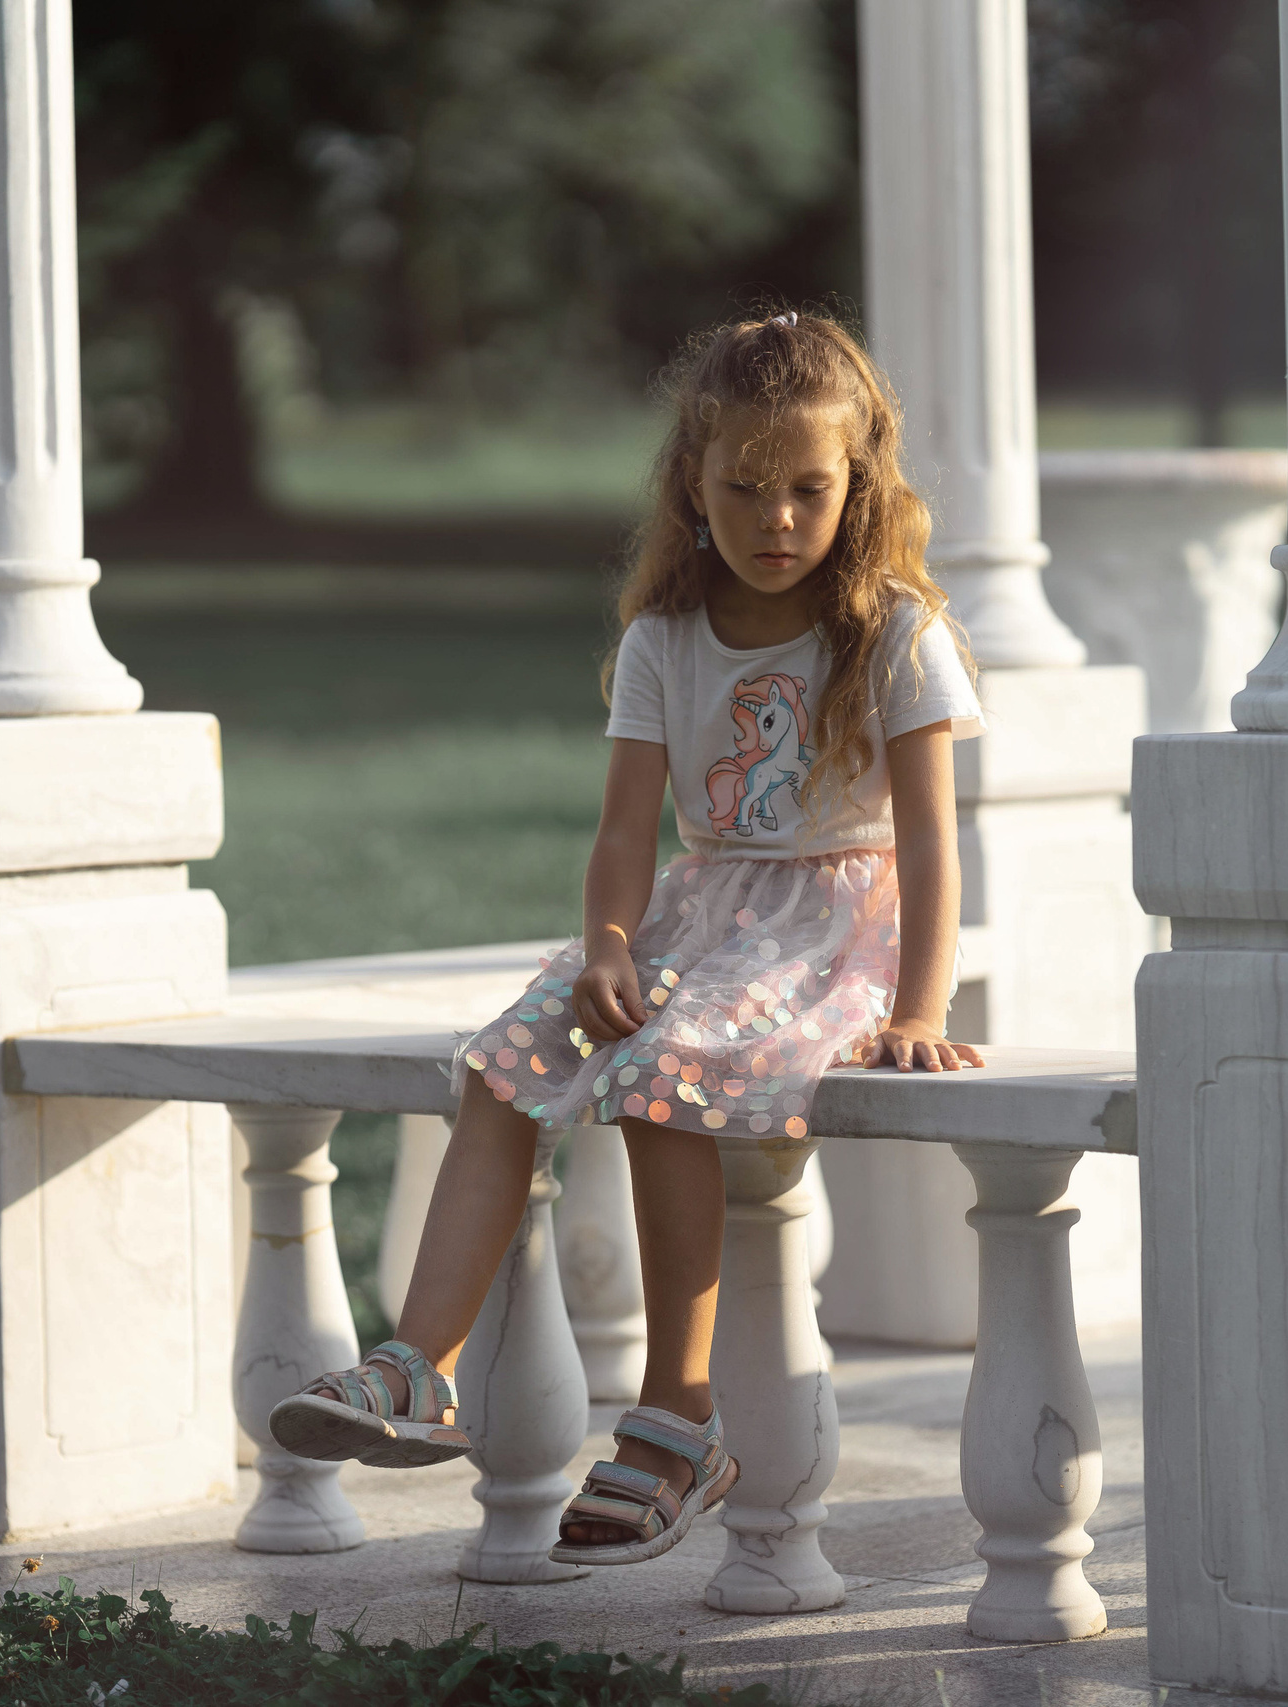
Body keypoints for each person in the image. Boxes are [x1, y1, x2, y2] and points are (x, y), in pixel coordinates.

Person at [270, 310, 986, 1568]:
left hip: (827, 927)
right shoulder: (664, 637)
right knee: (501, 1065)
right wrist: (607, 946)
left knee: (666, 1079)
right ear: (692, 486)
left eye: (808, 491)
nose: (775, 518)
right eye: (743, 488)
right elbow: (621, 834)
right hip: (696, 909)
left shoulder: (893, 635)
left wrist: (919, 1013)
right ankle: (411, 1369)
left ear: (857, 484)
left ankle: (676, 1420)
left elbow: (928, 844)